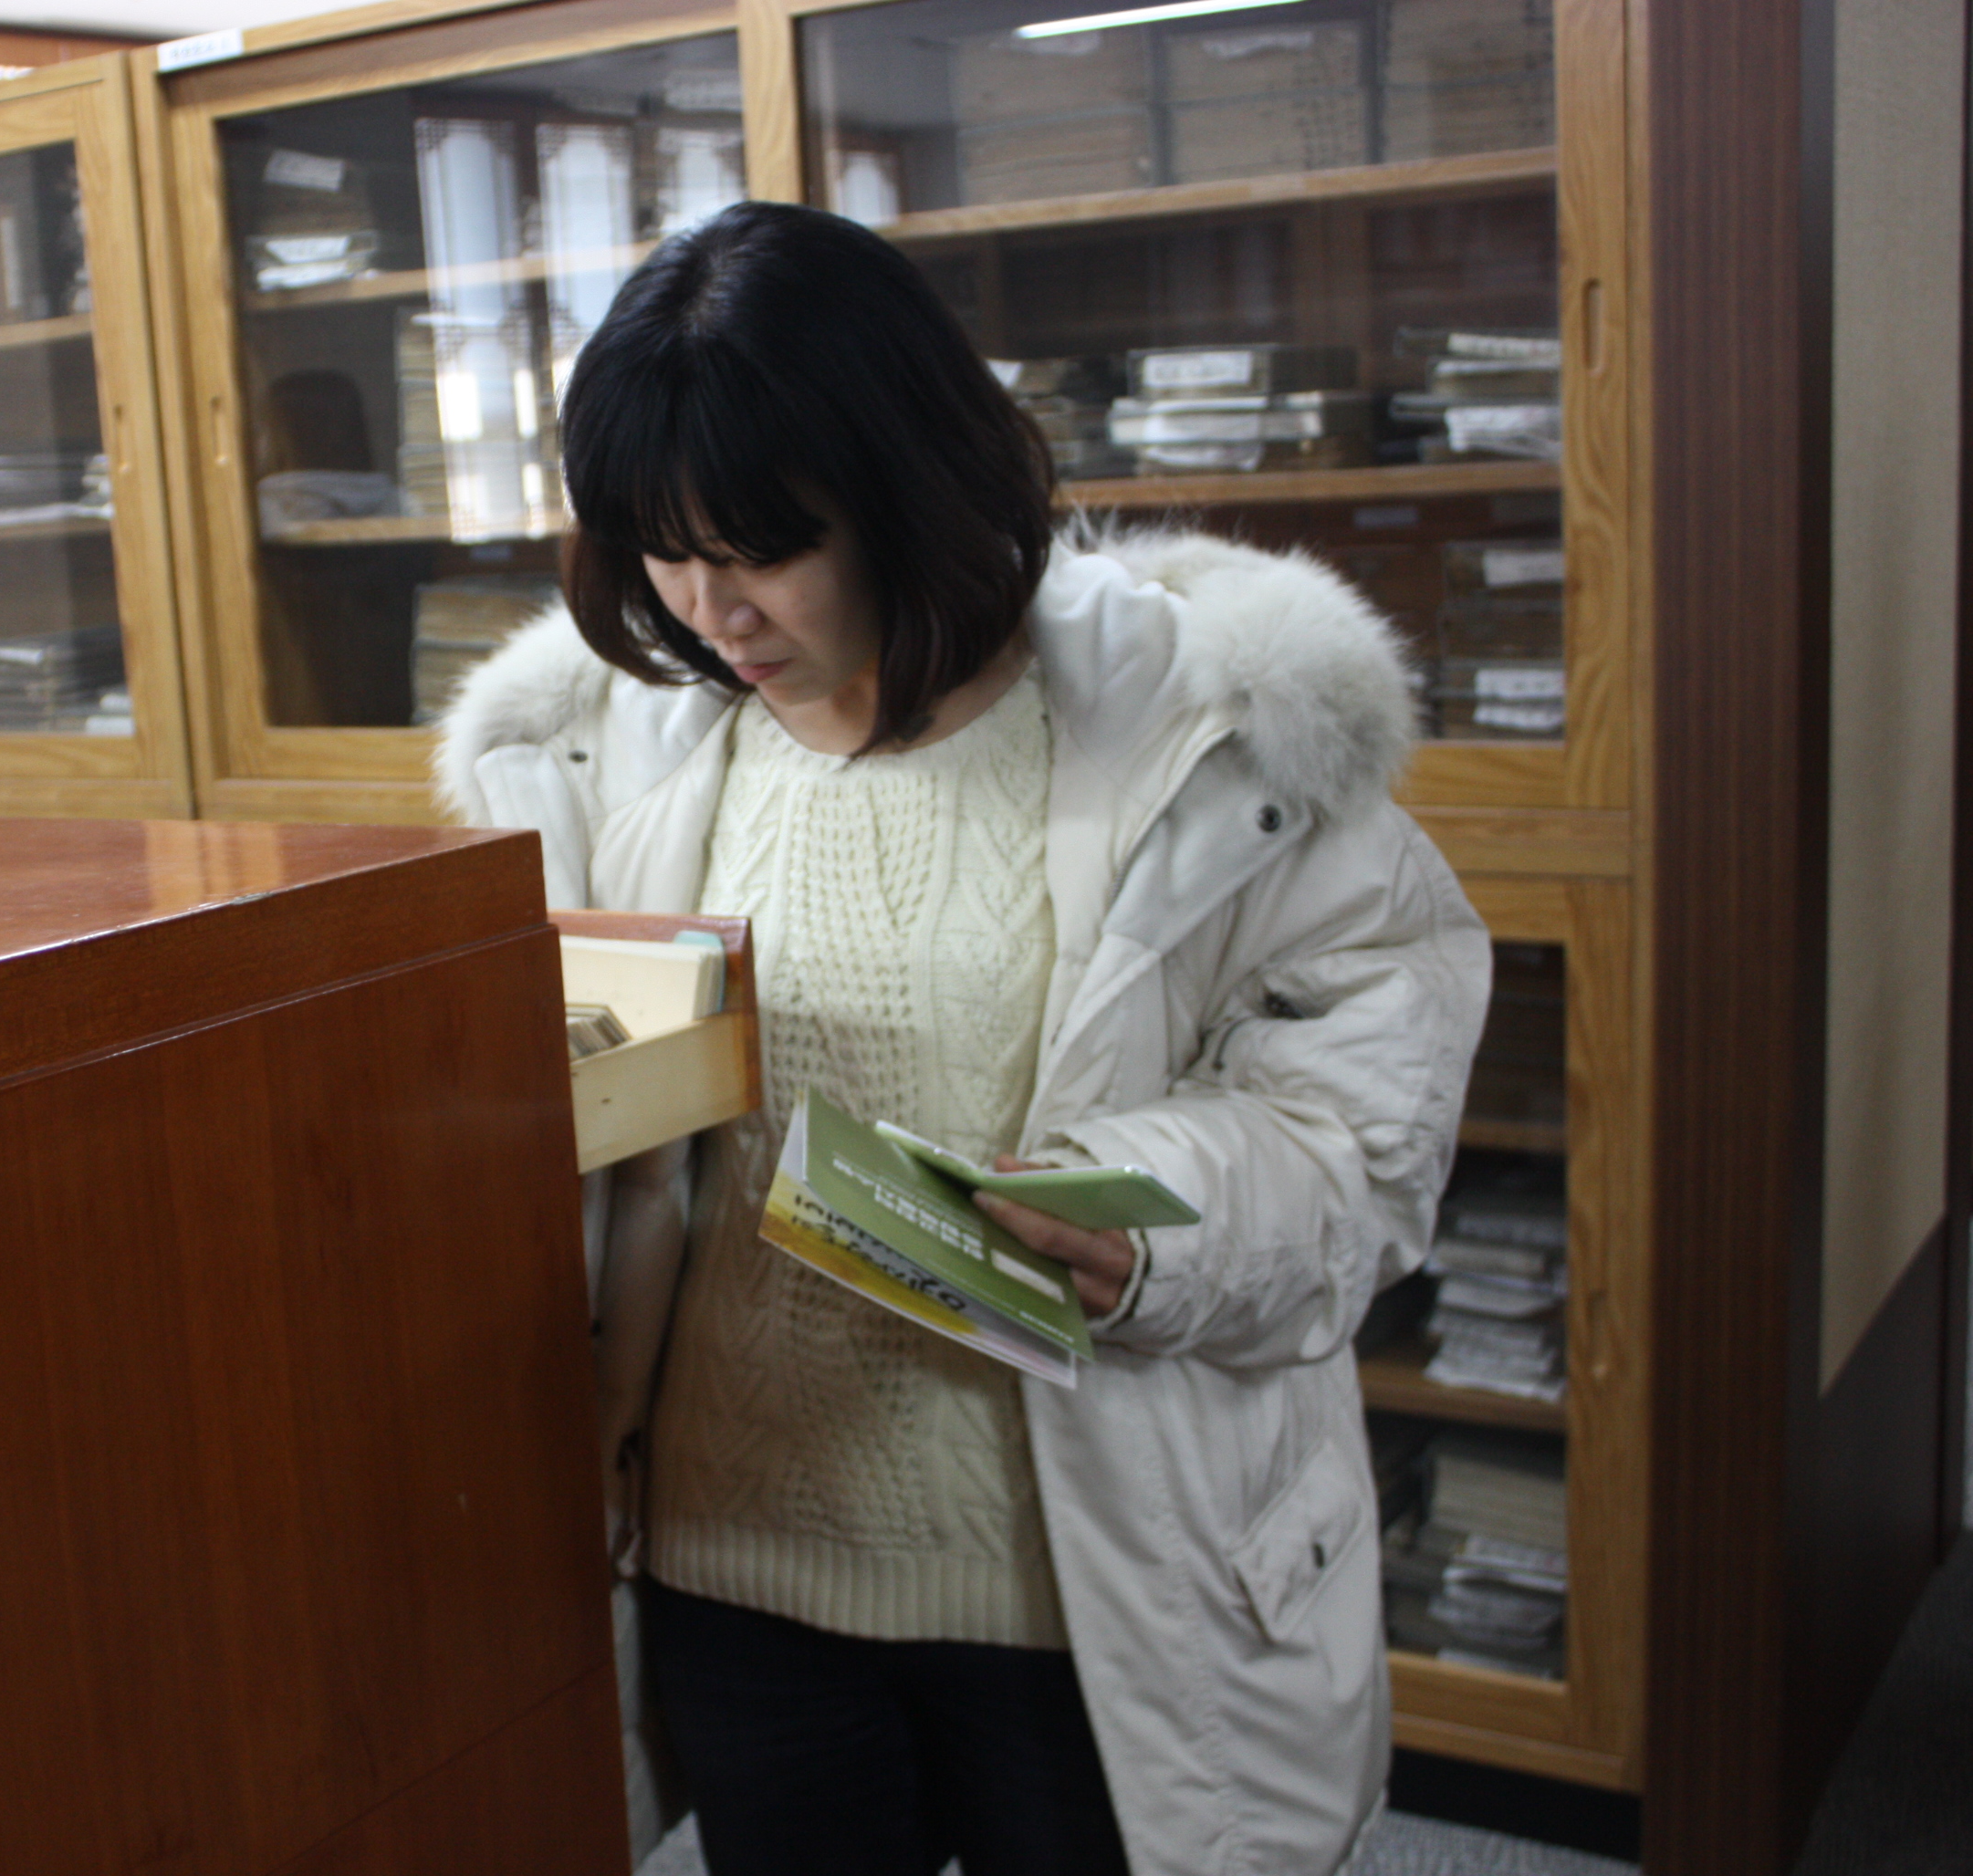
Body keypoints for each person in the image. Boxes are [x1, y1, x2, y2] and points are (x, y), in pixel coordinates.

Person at [434, 202, 1489, 1876]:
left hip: (1085, 1595)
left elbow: (1361, 1131)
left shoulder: (1212, 739)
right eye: (657, 549)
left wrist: (1151, 1218)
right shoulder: (599, 757)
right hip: (736, 1568)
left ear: (907, 487)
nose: (708, 608)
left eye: (760, 547)